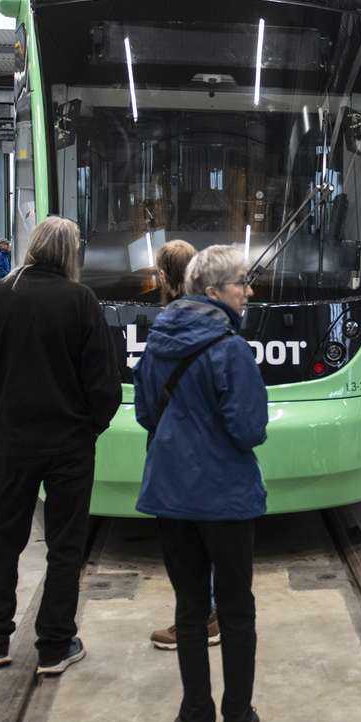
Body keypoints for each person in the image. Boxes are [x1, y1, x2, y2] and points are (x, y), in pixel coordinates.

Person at [0, 216, 121, 675]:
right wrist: (91, 426)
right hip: (70, 444)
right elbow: (103, 381)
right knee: (66, 544)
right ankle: (55, 644)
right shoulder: (81, 300)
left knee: (4, 536)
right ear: (72, 253)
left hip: (14, 441)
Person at [134, 245, 268, 722]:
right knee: (235, 608)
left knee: (190, 607)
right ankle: (237, 718)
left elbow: (147, 414)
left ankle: (196, 719)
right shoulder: (231, 348)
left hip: (171, 495)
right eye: (240, 282)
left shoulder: (159, 339)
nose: (248, 291)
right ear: (214, 293)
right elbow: (249, 429)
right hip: (226, 499)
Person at [146, 239, 221, 653]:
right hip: (208, 453)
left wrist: (163, 433)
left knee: (183, 546)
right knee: (206, 539)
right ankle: (209, 613)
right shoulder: (216, 322)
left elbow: (146, 402)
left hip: (173, 452)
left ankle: (199, 620)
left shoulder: (165, 324)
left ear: (163, 276)